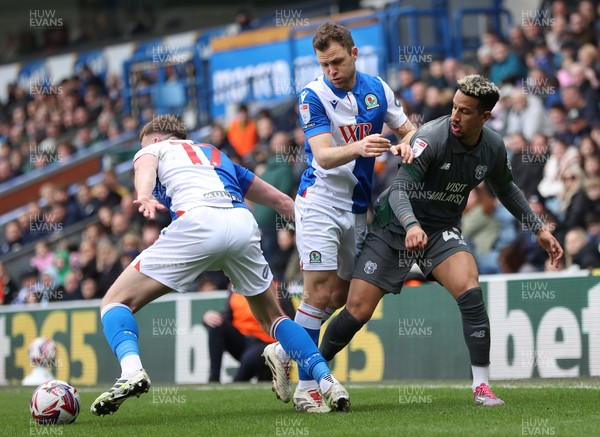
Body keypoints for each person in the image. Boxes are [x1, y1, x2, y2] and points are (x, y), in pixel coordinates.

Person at [319, 75, 564, 407]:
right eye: (454, 107)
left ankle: (481, 387)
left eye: (465, 111)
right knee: (357, 312)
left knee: (470, 289)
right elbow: (401, 189)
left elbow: (505, 188)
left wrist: (540, 229)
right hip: (395, 226)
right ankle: (313, 371)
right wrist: (411, 225)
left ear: (485, 117)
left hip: (440, 230)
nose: (455, 116)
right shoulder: (430, 137)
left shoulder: (492, 146)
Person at [90, 115, 350, 416]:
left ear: (158, 139)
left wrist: (144, 195)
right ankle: (326, 380)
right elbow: (280, 201)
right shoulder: (217, 155)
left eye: (144, 144)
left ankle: (131, 370)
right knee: (272, 319)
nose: (142, 149)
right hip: (241, 223)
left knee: (114, 302)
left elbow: (144, 167)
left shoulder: (155, 149)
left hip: (197, 223)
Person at [270, 22, 415, 413]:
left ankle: (285, 349)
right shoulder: (312, 94)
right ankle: (306, 390)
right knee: (317, 291)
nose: (330, 70)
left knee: (340, 295)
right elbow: (322, 155)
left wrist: (408, 148)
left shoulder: (378, 89)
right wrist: (360, 146)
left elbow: (408, 131)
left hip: (356, 207)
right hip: (319, 202)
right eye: (323, 63)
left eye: (336, 61)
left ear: (354, 53)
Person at [203, 291, 294, 383]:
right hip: (243, 340)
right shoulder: (236, 291)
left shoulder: (277, 289)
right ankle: (214, 379)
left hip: (267, 344)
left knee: (249, 360)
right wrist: (209, 317)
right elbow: (226, 317)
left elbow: (290, 322)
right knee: (217, 326)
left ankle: (235, 384)